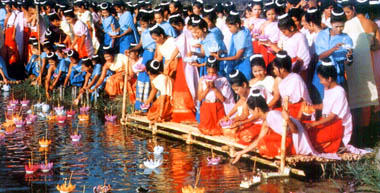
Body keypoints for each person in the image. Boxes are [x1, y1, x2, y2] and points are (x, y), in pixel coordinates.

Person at [232, 89, 317, 163]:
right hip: (290, 140)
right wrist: (241, 152)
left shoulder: (272, 115)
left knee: (265, 143)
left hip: (297, 143)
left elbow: (295, 131)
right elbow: (259, 139)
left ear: (257, 109)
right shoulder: (266, 120)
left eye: (251, 111)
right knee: (262, 141)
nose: (250, 114)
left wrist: (288, 120)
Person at [343, 0, 380, 146]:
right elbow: (377, 45)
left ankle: (356, 136)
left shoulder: (347, 25)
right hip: (368, 66)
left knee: (353, 97)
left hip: (352, 66)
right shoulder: (372, 24)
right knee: (367, 98)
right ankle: (366, 136)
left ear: (353, 8)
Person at [302, 59, 352, 153]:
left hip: (337, 125)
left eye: (321, 80)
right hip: (326, 121)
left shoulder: (339, 92)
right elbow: (326, 105)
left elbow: (332, 116)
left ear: (329, 79)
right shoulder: (327, 88)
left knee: (312, 138)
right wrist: (312, 107)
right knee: (303, 127)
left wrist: (314, 124)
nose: (320, 82)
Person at [313, 6, 353, 101]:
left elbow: (349, 63)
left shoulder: (346, 38)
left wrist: (349, 57)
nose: (339, 29)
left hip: (337, 74)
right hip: (322, 71)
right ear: (331, 24)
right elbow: (320, 56)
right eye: (337, 26)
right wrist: (333, 49)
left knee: (336, 102)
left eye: (342, 26)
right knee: (321, 100)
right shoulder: (322, 35)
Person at [197, 56, 234, 136]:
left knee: (220, 130)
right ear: (206, 70)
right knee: (206, 130)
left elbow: (223, 99)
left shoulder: (223, 80)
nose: (211, 75)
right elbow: (199, 98)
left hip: (218, 107)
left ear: (217, 70)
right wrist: (207, 89)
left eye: (213, 73)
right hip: (206, 107)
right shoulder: (202, 79)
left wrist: (214, 88)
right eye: (209, 72)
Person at [223, 70, 261, 145]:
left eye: (237, 89)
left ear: (244, 85)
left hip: (260, 122)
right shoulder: (243, 93)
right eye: (234, 90)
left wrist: (240, 123)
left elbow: (257, 116)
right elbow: (245, 113)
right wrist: (230, 117)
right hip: (250, 120)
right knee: (227, 130)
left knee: (244, 136)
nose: (236, 92)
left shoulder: (254, 94)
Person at [212, 11, 253, 81]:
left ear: (237, 25)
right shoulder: (239, 31)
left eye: (230, 27)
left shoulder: (242, 36)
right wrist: (222, 51)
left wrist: (220, 59)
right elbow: (234, 49)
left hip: (244, 62)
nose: (229, 30)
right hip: (239, 61)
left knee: (243, 81)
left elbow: (237, 56)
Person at [268, 13, 311, 80]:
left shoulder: (300, 37)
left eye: (284, 32)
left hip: (298, 69)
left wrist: (293, 73)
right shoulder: (288, 36)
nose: (283, 34)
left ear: (291, 28)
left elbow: (302, 58)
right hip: (289, 67)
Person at [273, 51, 312, 119]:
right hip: (286, 109)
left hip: (298, 110)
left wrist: (298, 120)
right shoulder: (279, 79)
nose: (273, 71)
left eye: (274, 69)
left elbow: (304, 101)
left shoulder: (296, 79)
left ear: (282, 69)